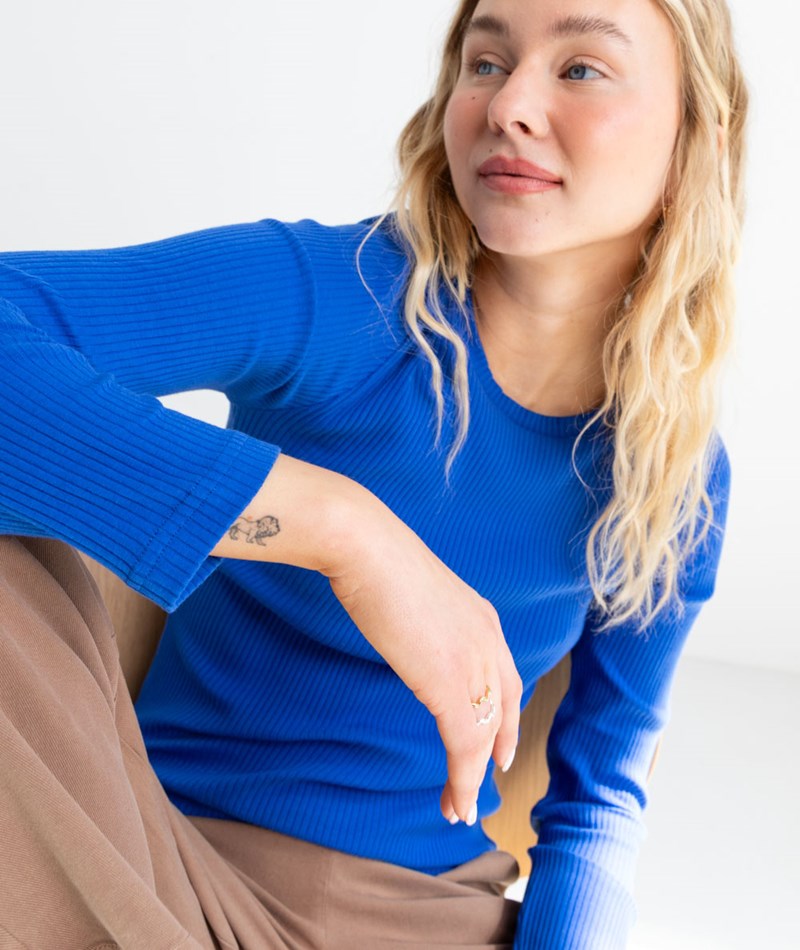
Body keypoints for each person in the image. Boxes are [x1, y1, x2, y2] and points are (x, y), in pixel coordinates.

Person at [0, 0, 747, 946]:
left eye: (580, 69)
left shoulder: (677, 475)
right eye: (486, 62)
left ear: (692, 138)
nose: (508, 105)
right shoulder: (341, 293)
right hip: (155, 871)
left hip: (429, 917)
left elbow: (598, 806)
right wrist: (347, 533)